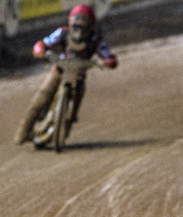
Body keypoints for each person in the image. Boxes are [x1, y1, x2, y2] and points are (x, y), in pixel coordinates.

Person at [14, 5, 118, 145]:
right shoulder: (62, 33)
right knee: (41, 97)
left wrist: (108, 61)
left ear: (91, 24)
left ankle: (69, 123)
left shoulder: (96, 40)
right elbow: (43, 43)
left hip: (79, 76)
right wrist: (40, 50)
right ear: (71, 21)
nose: (80, 26)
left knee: (77, 100)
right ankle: (24, 131)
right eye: (77, 21)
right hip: (59, 69)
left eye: (84, 22)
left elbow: (108, 56)